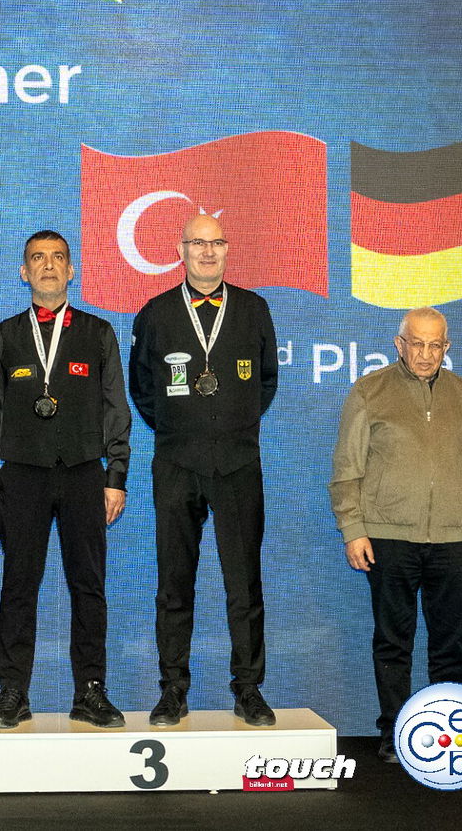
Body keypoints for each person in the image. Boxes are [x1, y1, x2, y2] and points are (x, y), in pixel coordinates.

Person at [330, 307, 462, 763]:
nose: (425, 354)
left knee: (452, 646)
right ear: (399, 344)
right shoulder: (369, 391)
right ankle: (394, 731)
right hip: (387, 538)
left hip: (454, 539)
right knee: (393, 643)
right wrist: (353, 529)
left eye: (434, 345)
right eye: (416, 343)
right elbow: (347, 469)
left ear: (447, 347)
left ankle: (454, 733)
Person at [128, 212, 278, 727]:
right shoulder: (156, 313)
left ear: (228, 248)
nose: (207, 252)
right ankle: (173, 689)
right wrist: (182, 429)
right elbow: (142, 388)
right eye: (197, 243)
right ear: (181, 250)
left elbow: (266, 382)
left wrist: (233, 426)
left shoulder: (254, 309)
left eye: (216, 242)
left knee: (245, 585)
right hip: (177, 463)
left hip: (238, 464)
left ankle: (248, 690)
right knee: (174, 585)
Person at [0, 231, 130, 729]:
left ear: (71, 271)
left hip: (86, 474)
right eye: (38, 258)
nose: (48, 266)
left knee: (89, 586)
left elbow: (115, 407)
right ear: (24, 272)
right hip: (21, 476)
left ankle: (91, 691)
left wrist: (116, 475)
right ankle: (13, 693)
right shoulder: (2, 336)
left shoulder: (98, 332)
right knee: (18, 586)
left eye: (58, 258)